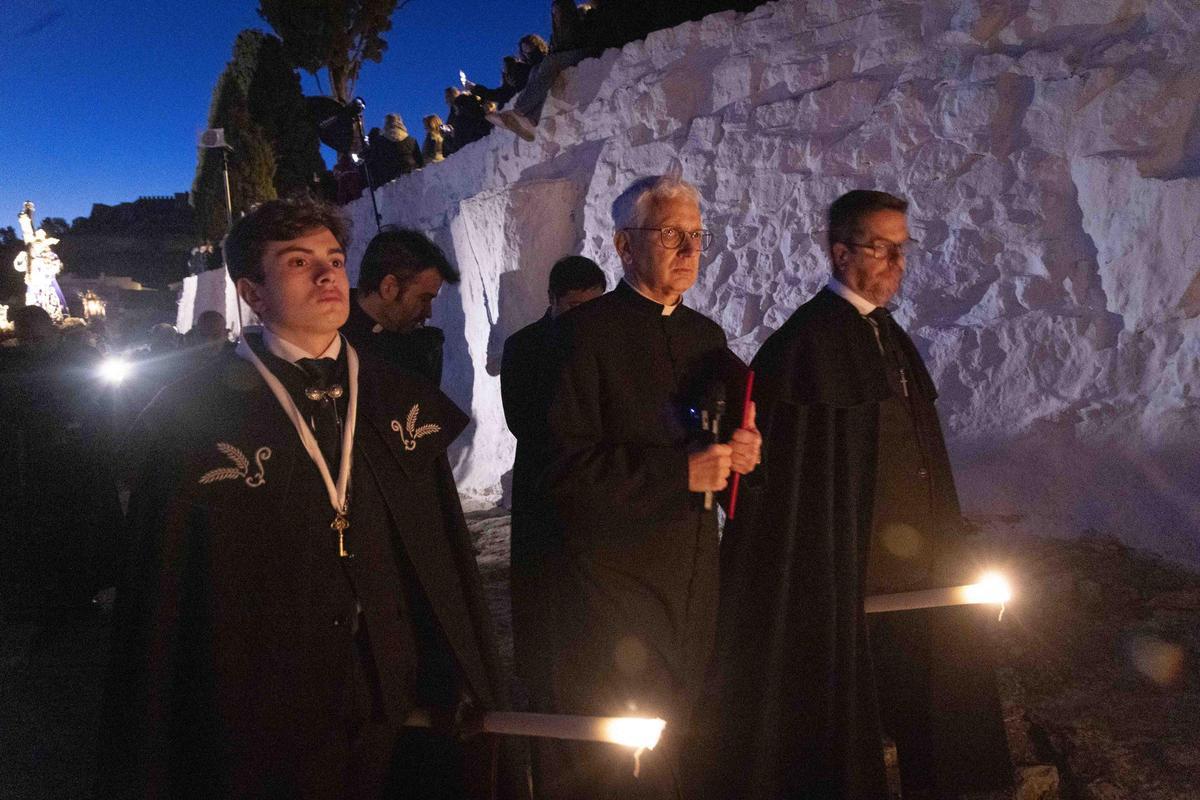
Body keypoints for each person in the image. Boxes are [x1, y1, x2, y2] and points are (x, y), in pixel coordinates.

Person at [99, 197, 513, 799]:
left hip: (391, 694)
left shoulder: (398, 400)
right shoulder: (194, 414)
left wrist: (452, 672)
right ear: (252, 292)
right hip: (263, 704)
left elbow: (439, 557)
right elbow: (168, 588)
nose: (327, 275)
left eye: (334, 260)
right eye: (298, 262)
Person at [703, 190, 1011, 799]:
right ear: (841, 253)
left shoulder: (887, 335)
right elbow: (782, 488)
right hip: (846, 577)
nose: (897, 262)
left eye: (902, 248)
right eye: (881, 248)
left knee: (934, 713)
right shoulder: (802, 347)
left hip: (920, 572)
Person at [532, 172, 761, 799]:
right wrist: (678, 473)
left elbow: (719, 430)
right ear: (624, 246)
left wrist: (742, 448)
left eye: (697, 235)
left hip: (691, 570)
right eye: (669, 234)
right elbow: (560, 472)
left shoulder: (704, 337)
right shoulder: (578, 338)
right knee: (629, 751)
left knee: (688, 727)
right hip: (612, 582)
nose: (688, 250)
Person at [500, 255, 605, 715]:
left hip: (595, 484)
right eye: (575, 306)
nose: (584, 316)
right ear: (553, 300)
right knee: (542, 586)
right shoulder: (524, 346)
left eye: (593, 306)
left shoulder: (608, 340)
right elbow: (522, 419)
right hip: (543, 480)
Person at [340, 227, 460, 385]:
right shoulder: (326, 344)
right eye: (423, 299)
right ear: (389, 288)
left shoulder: (419, 349)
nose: (429, 312)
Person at [365, 113, 423, 188]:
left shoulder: (380, 141)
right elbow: (420, 161)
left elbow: (374, 160)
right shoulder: (411, 140)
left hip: (386, 179)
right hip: (409, 176)